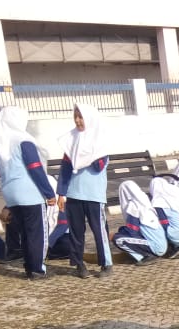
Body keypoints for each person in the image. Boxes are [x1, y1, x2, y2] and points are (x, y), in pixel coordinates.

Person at [0, 106, 56, 280]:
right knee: (37, 233)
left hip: (10, 194)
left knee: (24, 233)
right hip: (30, 193)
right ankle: (37, 270)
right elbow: (35, 168)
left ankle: (29, 268)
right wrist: (49, 193)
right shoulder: (24, 140)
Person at [56, 103, 111, 279]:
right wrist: (61, 193)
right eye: (76, 117)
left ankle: (106, 263)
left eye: (81, 117)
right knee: (76, 231)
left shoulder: (100, 140)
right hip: (74, 194)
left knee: (99, 229)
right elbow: (65, 168)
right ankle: (78, 263)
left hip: (94, 194)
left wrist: (86, 150)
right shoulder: (71, 140)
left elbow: (98, 166)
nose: (78, 120)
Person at [112, 181, 167, 265]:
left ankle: (143, 256)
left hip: (155, 247)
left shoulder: (133, 207)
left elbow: (133, 232)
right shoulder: (146, 204)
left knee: (117, 239)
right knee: (122, 230)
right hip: (162, 246)